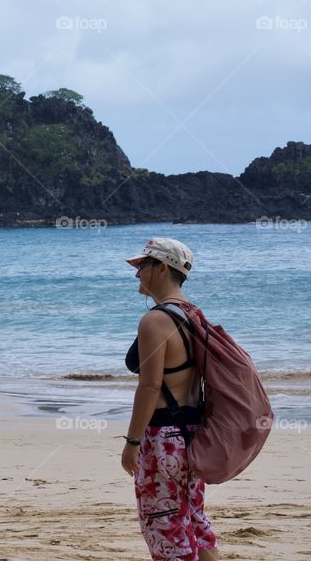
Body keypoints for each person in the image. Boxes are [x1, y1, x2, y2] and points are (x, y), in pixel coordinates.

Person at [121, 238, 218, 561]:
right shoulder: (194, 314)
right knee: (194, 520)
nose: (137, 274)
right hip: (194, 434)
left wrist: (132, 442)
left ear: (163, 268)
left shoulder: (156, 320)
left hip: (163, 439)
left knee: (165, 529)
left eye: (142, 266)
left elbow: (149, 387)